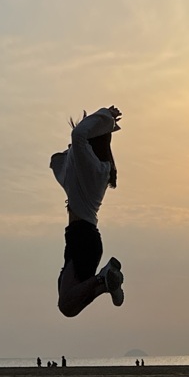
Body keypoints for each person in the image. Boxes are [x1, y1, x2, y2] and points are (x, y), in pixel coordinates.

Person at [50, 106, 124, 317]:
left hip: (83, 238)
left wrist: (106, 117)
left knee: (67, 305)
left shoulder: (94, 169)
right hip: (82, 237)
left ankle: (103, 279)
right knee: (68, 300)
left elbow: (78, 136)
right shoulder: (95, 169)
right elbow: (57, 160)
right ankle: (104, 283)